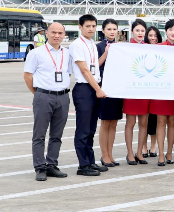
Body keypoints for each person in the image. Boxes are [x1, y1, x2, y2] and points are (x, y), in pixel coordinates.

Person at [23, 22, 73, 181]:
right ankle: (40, 167)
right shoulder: (36, 53)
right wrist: (38, 94)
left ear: (64, 35)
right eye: (53, 32)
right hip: (43, 96)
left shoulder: (67, 53)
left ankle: (52, 165)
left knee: (57, 135)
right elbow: (27, 76)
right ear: (46, 33)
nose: (57, 35)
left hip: (63, 97)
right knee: (39, 135)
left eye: (60, 33)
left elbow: (68, 73)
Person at [68, 14, 108, 177]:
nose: (91, 29)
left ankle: (90, 161)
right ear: (80, 27)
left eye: (93, 26)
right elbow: (84, 70)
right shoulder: (77, 45)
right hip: (84, 89)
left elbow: (94, 66)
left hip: (94, 87)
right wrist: (98, 89)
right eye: (88, 26)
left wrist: (106, 54)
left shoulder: (92, 44)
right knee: (83, 129)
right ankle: (83, 165)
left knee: (91, 129)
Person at [149, 19, 174, 165]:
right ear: (166, 31)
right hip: (161, 90)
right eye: (171, 29)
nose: (173, 32)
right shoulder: (158, 48)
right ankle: (160, 154)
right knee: (161, 121)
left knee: (172, 122)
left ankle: (169, 152)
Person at [122, 19, 151, 165]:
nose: (140, 33)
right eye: (137, 30)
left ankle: (139, 152)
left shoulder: (149, 48)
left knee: (144, 122)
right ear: (132, 31)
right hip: (131, 89)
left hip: (144, 89)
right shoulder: (126, 48)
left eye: (142, 31)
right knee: (131, 122)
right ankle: (129, 152)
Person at [96, 18, 123, 168]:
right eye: (109, 29)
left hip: (117, 89)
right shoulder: (99, 46)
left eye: (114, 29)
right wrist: (106, 53)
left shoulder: (120, 47)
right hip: (104, 88)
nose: (112, 32)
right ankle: (104, 154)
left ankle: (110, 154)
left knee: (114, 123)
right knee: (105, 122)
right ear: (103, 31)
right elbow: (95, 66)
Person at [143, 26, 163, 157]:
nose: (153, 38)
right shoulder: (142, 49)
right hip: (144, 89)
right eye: (150, 35)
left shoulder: (162, 50)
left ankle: (153, 146)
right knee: (144, 119)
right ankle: (144, 146)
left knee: (155, 119)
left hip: (158, 90)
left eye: (155, 36)